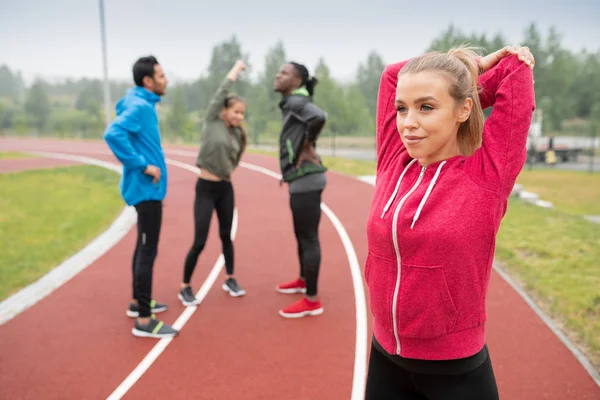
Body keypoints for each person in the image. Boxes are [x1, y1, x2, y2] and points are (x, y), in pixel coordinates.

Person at [364, 45, 535, 399]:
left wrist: (468, 76)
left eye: (426, 107)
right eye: (402, 109)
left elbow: (515, 75)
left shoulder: (487, 175)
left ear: (464, 109)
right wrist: (463, 64)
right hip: (384, 358)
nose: (408, 123)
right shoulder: (393, 159)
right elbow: (392, 75)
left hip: (455, 372)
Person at [104, 55, 178, 339]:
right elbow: (113, 134)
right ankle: (145, 321)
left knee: (142, 245)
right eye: (161, 75)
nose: (165, 79)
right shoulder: (139, 106)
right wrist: (142, 164)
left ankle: (138, 302)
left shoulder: (142, 103)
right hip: (146, 188)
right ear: (148, 81)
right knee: (148, 250)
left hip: (145, 188)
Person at [178, 60, 248, 305]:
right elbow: (221, 92)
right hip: (205, 189)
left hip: (225, 188)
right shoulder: (212, 121)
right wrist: (236, 70)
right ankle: (185, 286)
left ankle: (230, 278)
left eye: (242, 113)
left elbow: (234, 160)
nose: (239, 116)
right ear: (223, 111)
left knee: (226, 235)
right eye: (236, 112)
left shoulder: (238, 134)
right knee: (200, 240)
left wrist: (225, 171)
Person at [273, 62, 328, 318]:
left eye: (284, 73)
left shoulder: (297, 102)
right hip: (301, 179)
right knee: (302, 235)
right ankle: (304, 279)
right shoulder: (292, 102)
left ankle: (312, 300)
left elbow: (319, 116)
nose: (278, 75)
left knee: (308, 237)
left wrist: (306, 145)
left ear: (297, 81)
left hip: (307, 180)